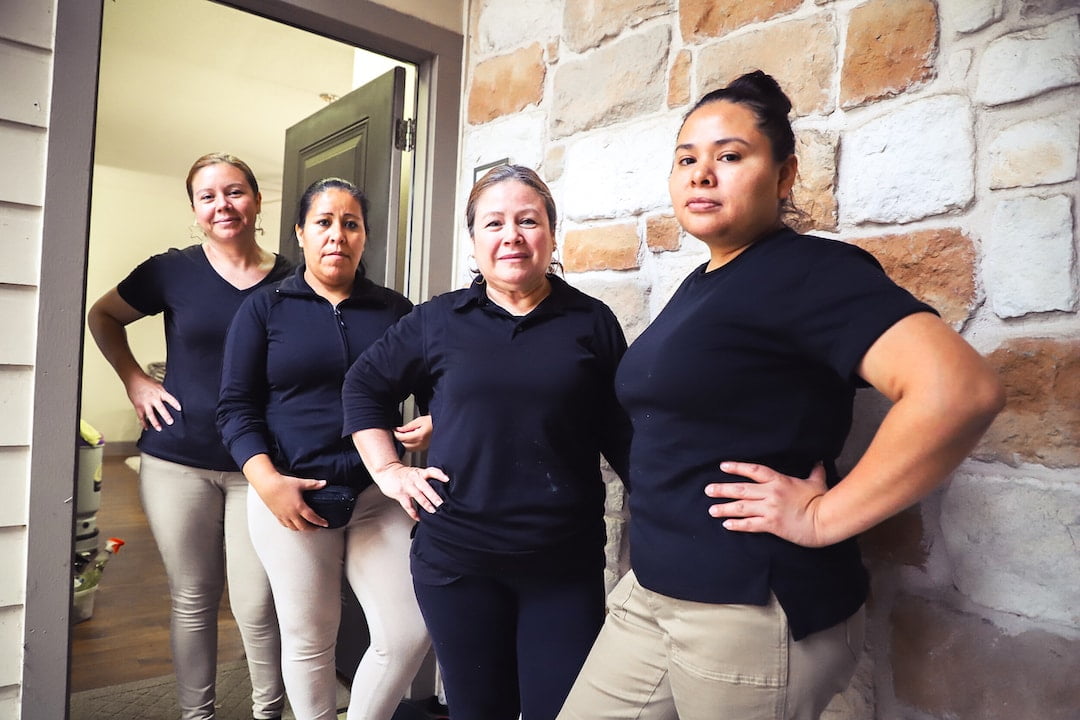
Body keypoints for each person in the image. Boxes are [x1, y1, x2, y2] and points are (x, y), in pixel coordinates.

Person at [557, 71, 1006, 720]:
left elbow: (959, 390)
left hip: (751, 611)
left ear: (785, 175)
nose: (701, 173)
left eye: (730, 156)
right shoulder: (701, 285)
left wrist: (824, 516)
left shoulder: (810, 272)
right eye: (687, 158)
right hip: (653, 595)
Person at [342, 165, 632, 720]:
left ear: (550, 232)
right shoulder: (438, 321)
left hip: (561, 566)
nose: (512, 236)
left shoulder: (590, 322)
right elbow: (363, 386)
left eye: (528, 220)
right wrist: (390, 471)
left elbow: (620, 432)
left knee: (561, 710)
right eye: (494, 223)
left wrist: (676, 507)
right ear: (474, 242)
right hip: (459, 563)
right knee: (480, 710)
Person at [217, 177, 432, 720]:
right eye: (324, 222)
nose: (338, 234)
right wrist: (268, 483)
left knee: (409, 631)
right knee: (311, 640)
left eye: (351, 223)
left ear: (364, 237)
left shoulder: (395, 310)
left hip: (376, 496)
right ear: (301, 232)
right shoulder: (264, 309)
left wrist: (436, 420)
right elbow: (235, 408)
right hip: (291, 495)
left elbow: (437, 384)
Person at [86, 153, 290, 720]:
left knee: (258, 605)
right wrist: (134, 382)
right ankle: (195, 715)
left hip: (261, 468)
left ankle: (268, 713)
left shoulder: (294, 279)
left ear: (256, 200)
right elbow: (102, 315)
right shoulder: (170, 271)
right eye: (208, 196)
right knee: (193, 600)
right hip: (177, 460)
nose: (223, 205)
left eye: (235, 191)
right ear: (196, 210)